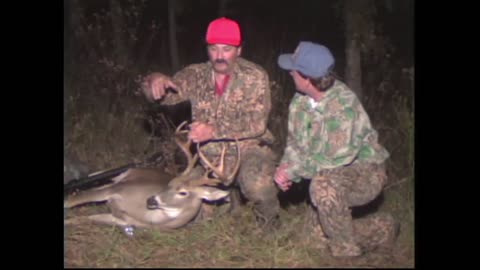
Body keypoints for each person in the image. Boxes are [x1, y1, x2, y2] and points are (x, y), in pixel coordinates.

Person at [141, 17, 280, 229]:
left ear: (239, 50)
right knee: (187, 206)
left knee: (257, 186)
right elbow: (165, 95)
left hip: (250, 150)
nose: (220, 56)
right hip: (210, 156)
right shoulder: (195, 74)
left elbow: (257, 123)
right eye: (214, 49)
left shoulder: (255, 76)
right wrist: (153, 81)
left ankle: (270, 228)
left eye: (227, 49)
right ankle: (229, 201)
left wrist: (213, 130)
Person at [274, 41, 399, 257]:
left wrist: (293, 172)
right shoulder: (300, 101)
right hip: (328, 171)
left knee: (323, 187)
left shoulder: (343, 107)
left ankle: (346, 252)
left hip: (364, 173)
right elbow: (295, 143)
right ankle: (382, 228)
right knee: (314, 241)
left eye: (295, 69)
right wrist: (284, 166)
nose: (290, 72)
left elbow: (330, 160)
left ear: (307, 78)